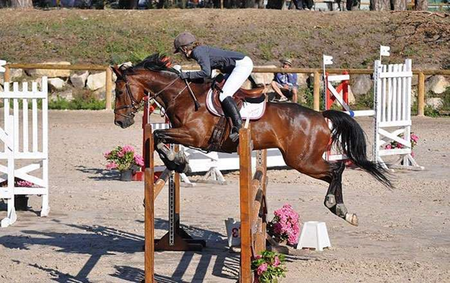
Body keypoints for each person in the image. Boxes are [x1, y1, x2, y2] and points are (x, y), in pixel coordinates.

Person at [174, 31, 253, 142]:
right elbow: (209, 75)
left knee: (224, 94)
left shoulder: (198, 52)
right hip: (234, 67)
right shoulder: (200, 51)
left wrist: (186, 75)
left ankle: (238, 127)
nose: (182, 55)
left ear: (184, 49)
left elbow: (205, 73)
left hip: (242, 65)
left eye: (180, 52)